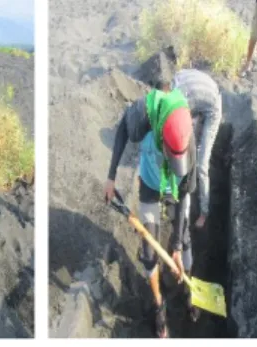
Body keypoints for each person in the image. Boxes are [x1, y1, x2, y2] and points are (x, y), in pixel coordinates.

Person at [103, 87, 199, 338]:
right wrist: (111, 177)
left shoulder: (189, 140)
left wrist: (176, 247)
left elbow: (184, 196)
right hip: (149, 184)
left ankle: (190, 291)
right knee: (148, 250)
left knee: (185, 238)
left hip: (175, 189)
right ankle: (159, 306)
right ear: (161, 136)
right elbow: (123, 128)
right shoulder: (144, 114)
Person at [164, 68, 222, 229]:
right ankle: (182, 190)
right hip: (200, 97)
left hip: (212, 108)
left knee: (201, 166)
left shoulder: (181, 101)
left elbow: (182, 133)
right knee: (187, 150)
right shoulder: (174, 84)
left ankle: (204, 212)